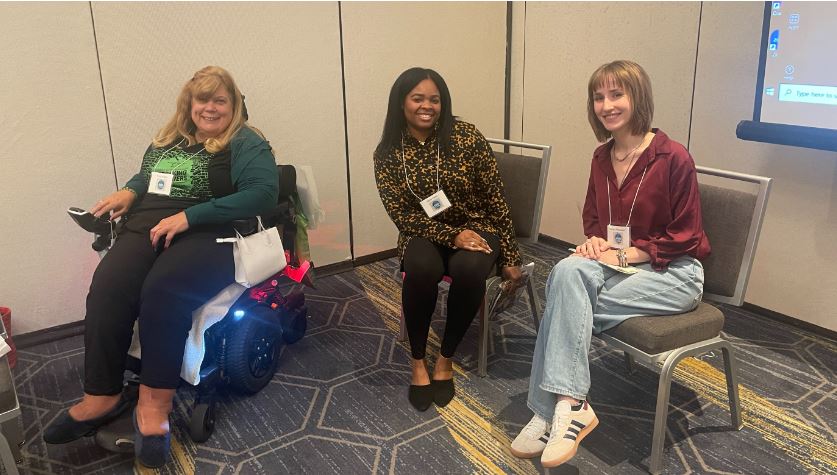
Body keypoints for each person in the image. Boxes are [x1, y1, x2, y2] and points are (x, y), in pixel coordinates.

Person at [42, 66, 279, 468]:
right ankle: (101, 394)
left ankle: (154, 404)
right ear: (188, 104)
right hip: (148, 227)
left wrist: (191, 217)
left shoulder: (246, 142)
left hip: (209, 233)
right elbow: (148, 177)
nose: (209, 107)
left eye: (219, 99)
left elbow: (262, 194)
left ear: (234, 104)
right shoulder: (169, 140)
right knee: (109, 286)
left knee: (163, 291)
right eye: (201, 99)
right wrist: (130, 191)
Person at [510, 60, 710, 467]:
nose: (606, 104)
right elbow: (593, 220)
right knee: (569, 274)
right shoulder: (602, 157)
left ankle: (547, 410)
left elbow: (687, 234)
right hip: (621, 271)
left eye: (616, 94)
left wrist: (629, 253)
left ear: (638, 98)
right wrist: (597, 242)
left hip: (674, 274)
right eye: (599, 97)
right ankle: (569, 404)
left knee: (565, 295)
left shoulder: (672, 157)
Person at [374, 67, 523, 412]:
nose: (427, 105)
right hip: (424, 230)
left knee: (471, 269)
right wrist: (452, 235)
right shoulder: (387, 153)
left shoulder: (466, 136)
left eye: (434, 99)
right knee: (421, 267)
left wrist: (511, 256)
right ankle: (417, 363)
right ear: (401, 103)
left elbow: (495, 197)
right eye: (417, 98)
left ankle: (445, 358)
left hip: (478, 225)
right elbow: (403, 214)